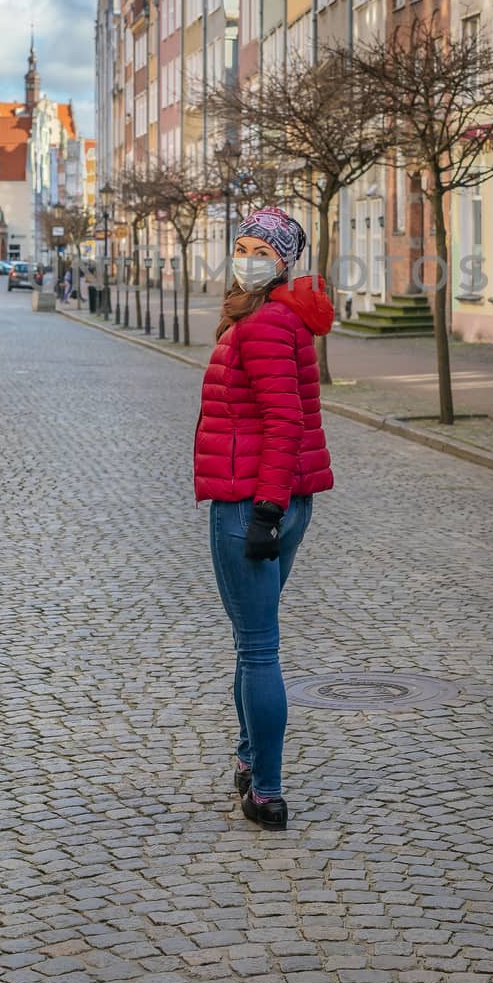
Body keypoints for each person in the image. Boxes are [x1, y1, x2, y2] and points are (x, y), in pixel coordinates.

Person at [194, 205, 334, 831]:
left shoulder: (267, 324)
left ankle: (267, 791)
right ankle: (250, 760)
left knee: (257, 648)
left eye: (259, 247)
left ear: (283, 261)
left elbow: (287, 422)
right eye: (241, 243)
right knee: (253, 641)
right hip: (273, 496)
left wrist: (266, 511)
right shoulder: (269, 318)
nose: (244, 254)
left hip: (254, 500)